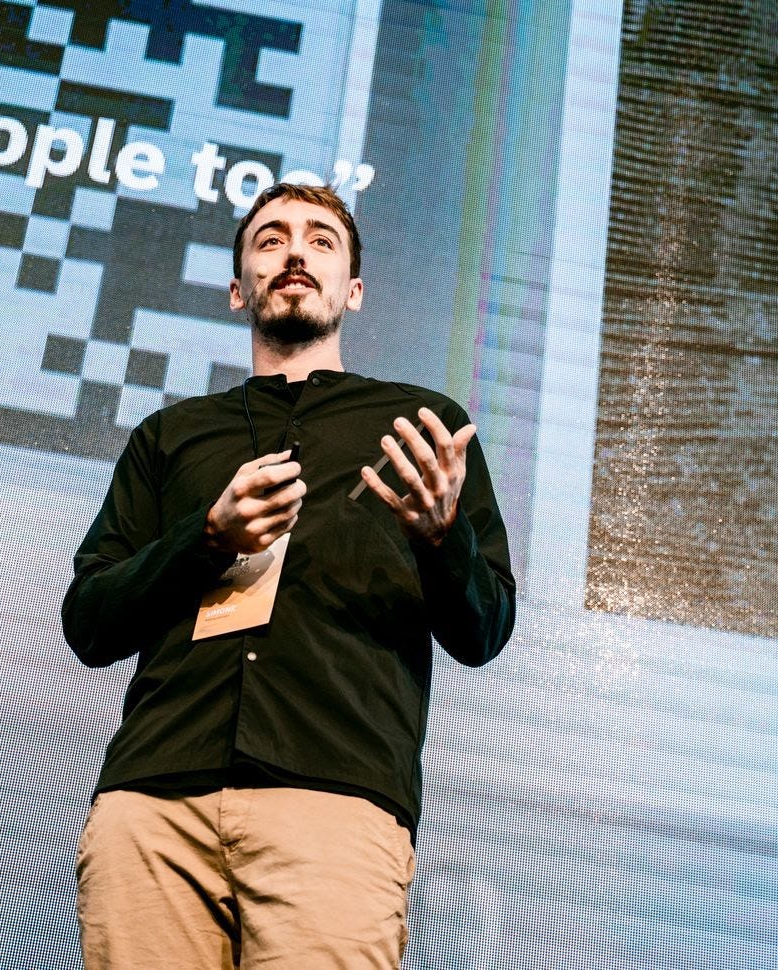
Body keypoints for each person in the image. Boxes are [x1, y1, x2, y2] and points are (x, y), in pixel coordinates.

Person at [62, 182, 517, 969]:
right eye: (270, 240)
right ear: (240, 287)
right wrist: (207, 537)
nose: (296, 252)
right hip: (153, 801)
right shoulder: (171, 436)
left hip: (334, 802)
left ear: (354, 289)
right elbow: (90, 622)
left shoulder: (421, 429)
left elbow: (485, 631)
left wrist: (445, 538)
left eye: (321, 240)